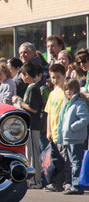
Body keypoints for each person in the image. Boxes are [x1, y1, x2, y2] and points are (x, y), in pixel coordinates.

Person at [12, 62, 43, 189]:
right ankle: (34, 180)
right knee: (30, 153)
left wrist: (19, 102)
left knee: (34, 154)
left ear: (26, 74)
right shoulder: (31, 87)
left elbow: (34, 109)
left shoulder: (33, 88)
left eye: (22, 75)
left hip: (33, 124)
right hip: (31, 125)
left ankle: (36, 180)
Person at [57, 78, 89, 195]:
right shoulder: (67, 104)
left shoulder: (79, 103)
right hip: (68, 138)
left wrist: (72, 127)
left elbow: (85, 119)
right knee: (71, 162)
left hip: (76, 138)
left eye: (70, 89)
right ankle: (72, 184)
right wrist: (60, 137)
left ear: (76, 89)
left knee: (75, 162)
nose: (68, 92)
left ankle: (76, 185)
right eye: (66, 89)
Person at [44, 63, 67, 191]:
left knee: (64, 159)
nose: (55, 80)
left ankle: (64, 182)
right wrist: (48, 130)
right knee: (55, 159)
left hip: (63, 132)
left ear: (64, 75)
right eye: (53, 77)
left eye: (58, 77)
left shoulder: (66, 91)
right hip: (53, 132)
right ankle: (55, 183)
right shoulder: (52, 93)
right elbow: (49, 113)